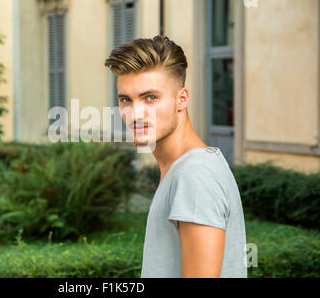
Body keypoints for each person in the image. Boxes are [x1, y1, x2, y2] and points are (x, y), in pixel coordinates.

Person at [104, 35, 247, 278]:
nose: (135, 113)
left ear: (181, 99)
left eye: (150, 97)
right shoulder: (183, 169)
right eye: (125, 99)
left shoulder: (196, 175)